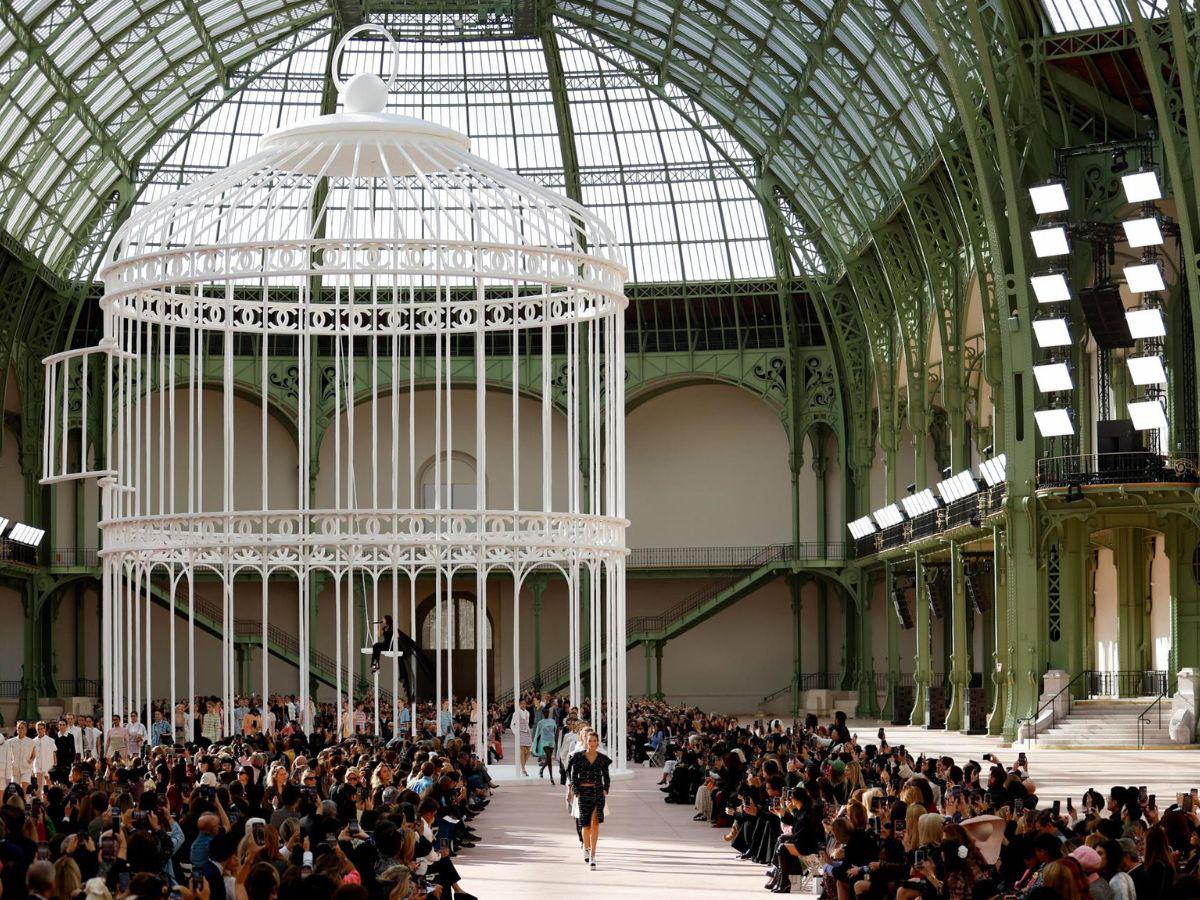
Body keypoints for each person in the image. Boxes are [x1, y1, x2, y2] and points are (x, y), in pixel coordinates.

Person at [568, 730, 611, 869]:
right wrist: (576, 790)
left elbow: (606, 775)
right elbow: (574, 775)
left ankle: (593, 854)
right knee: (585, 825)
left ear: (597, 742)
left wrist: (606, 789)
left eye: (594, 741)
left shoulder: (602, 758)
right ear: (585, 741)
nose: (592, 743)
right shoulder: (578, 757)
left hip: (598, 792)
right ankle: (586, 848)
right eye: (590, 740)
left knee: (596, 822)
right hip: (584, 792)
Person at [532, 707, 557, 783]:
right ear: (543, 714)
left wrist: (556, 741)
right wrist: (536, 745)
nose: (546, 713)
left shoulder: (553, 721)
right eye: (545, 712)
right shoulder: (541, 722)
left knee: (548, 758)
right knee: (549, 757)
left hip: (551, 741)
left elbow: (555, 731)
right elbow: (538, 734)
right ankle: (551, 777)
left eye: (547, 712)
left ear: (549, 713)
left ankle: (542, 769)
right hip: (544, 741)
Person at [512, 698, 532, 776]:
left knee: (529, 751)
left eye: (525, 703)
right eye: (522, 703)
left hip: (527, 733)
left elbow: (527, 723)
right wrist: (516, 733)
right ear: (519, 704)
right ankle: (523, 769)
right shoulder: (516, 713)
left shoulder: (527, 713)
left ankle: (522, 766)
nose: (524, 705)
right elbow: (512, 724)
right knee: (522, 751)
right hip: (520, 733)